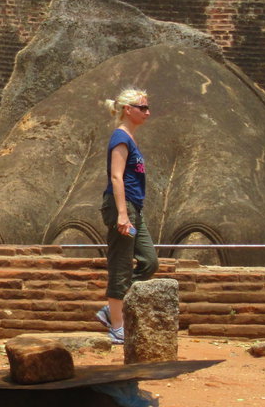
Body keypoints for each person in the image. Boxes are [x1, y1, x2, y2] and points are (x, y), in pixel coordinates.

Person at [95, 87, 159, 345]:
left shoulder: (131, 139)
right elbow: (116, 176)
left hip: (135, 207)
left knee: (149, 261)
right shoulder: (120, 137)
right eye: (142, 107)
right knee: (121, 264)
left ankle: (112, 308)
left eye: (147, 107)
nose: (147, 112)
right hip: (123, 206)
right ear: (127, 109)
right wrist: (122, 214)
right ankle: (117, 325)